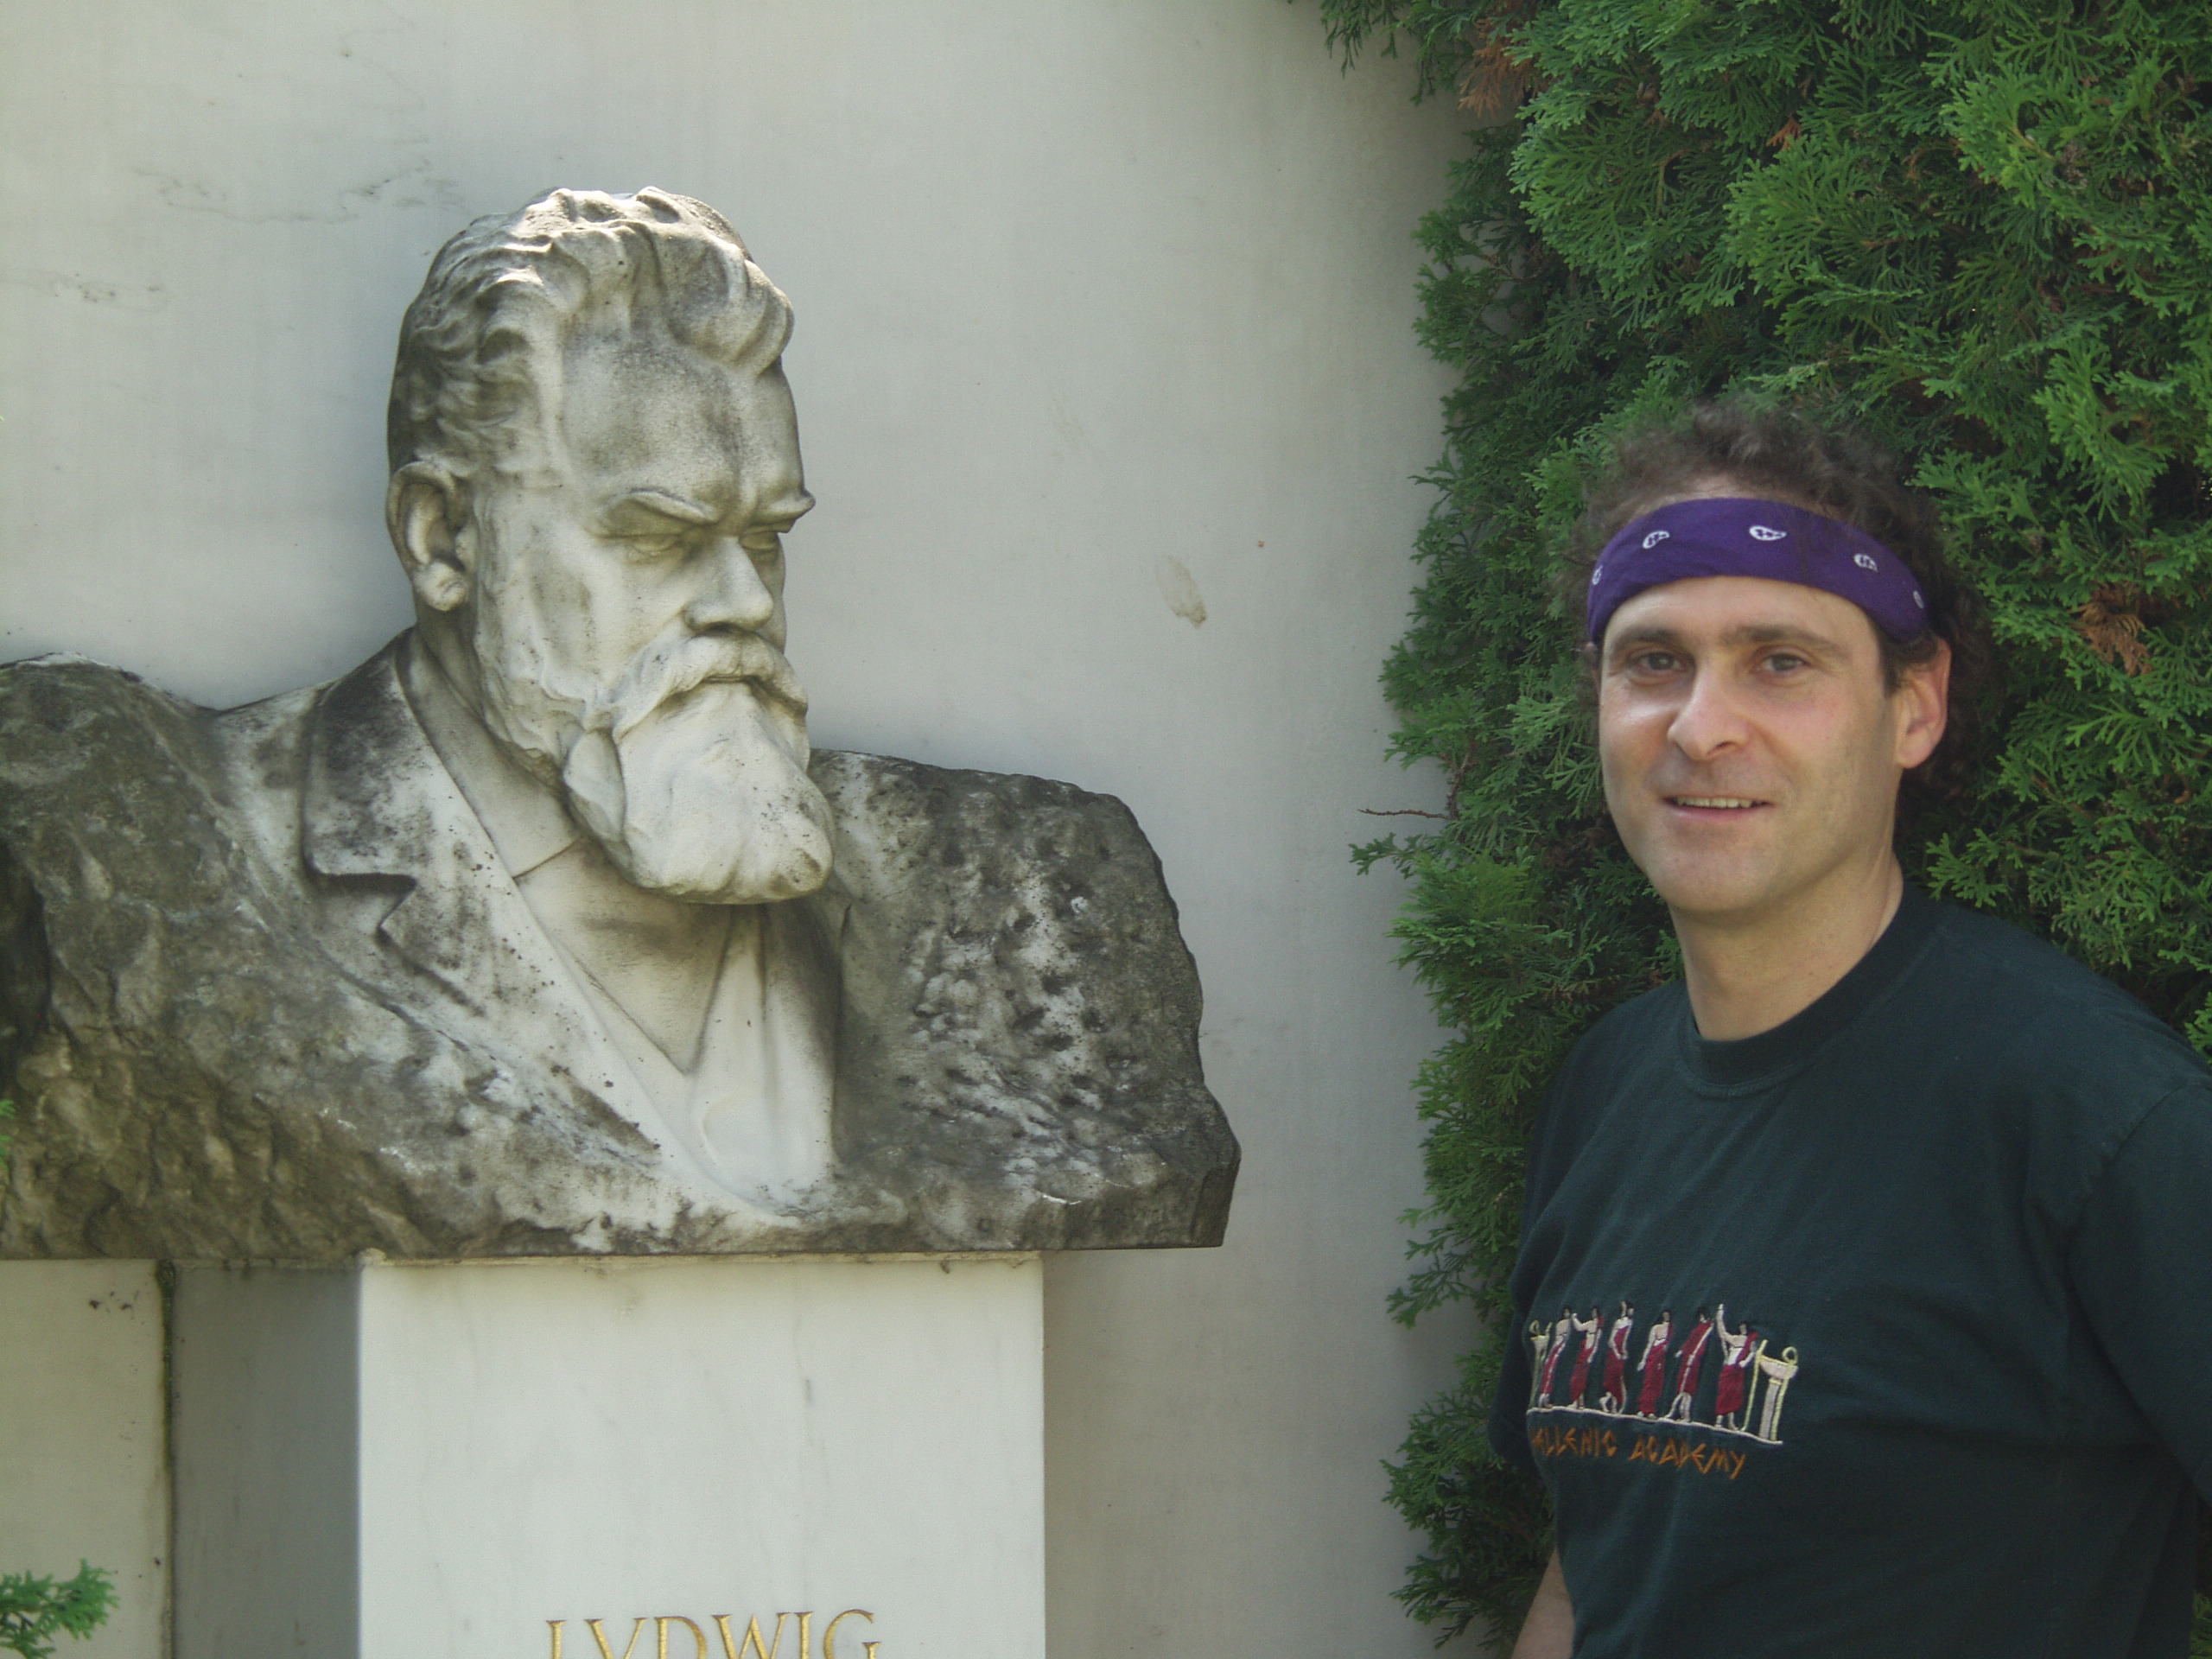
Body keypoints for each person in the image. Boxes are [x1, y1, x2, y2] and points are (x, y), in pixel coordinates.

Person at [0, 189, 1236, 1259]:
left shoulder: (1005, 900)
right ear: (445, 538)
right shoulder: (208, 860)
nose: (746, 600)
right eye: (660, 538)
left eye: (765, 535)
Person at [1488, 403, 2212, 1657]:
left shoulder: (2088, 1112)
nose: (1702, 725)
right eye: (1653, 660)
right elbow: (1596, 1559)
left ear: (1914, 707)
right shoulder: (1606, 1090)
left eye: (1782, 661)